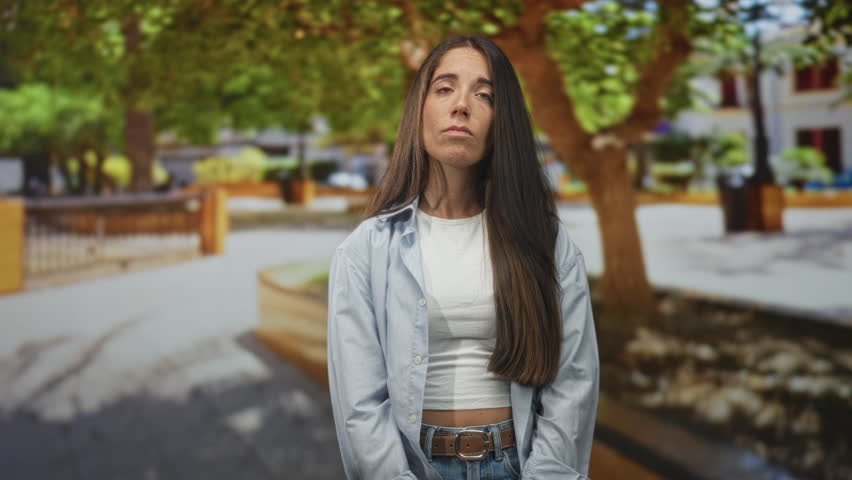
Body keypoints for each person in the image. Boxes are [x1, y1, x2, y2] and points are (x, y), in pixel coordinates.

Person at [327, 35, 599, 480]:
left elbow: (573, 381)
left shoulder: (546, 243)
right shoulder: (366, 250)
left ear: (502, 122)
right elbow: (360, 404)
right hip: (413, 467)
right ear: (420, 109)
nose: (461, 106)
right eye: (445, 88)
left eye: (484, 95)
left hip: (518, 465)